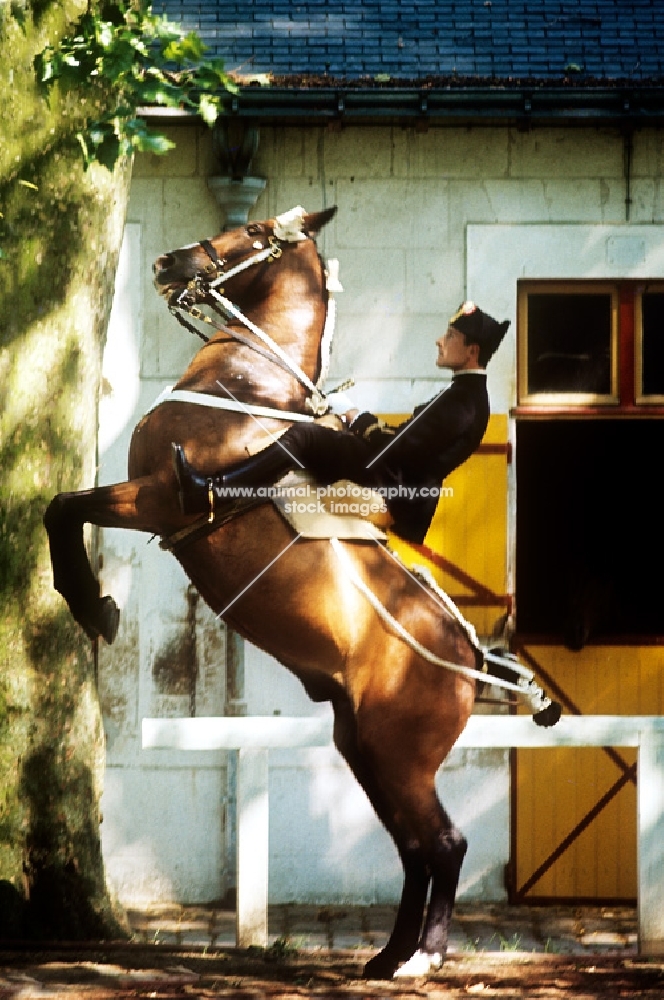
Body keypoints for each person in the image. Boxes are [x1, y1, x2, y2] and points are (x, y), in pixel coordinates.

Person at [172, 301, 510, 543]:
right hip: (392, 474)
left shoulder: (464, 402)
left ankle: (211, 492)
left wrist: (356, 417)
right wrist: (353, 418)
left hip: (393, 484)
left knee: (306, 437)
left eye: (450, 336)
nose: (440, 340)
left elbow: (400, 448)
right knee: (322, 429)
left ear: (471, 351)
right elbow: (406, 439)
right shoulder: (464, 395)